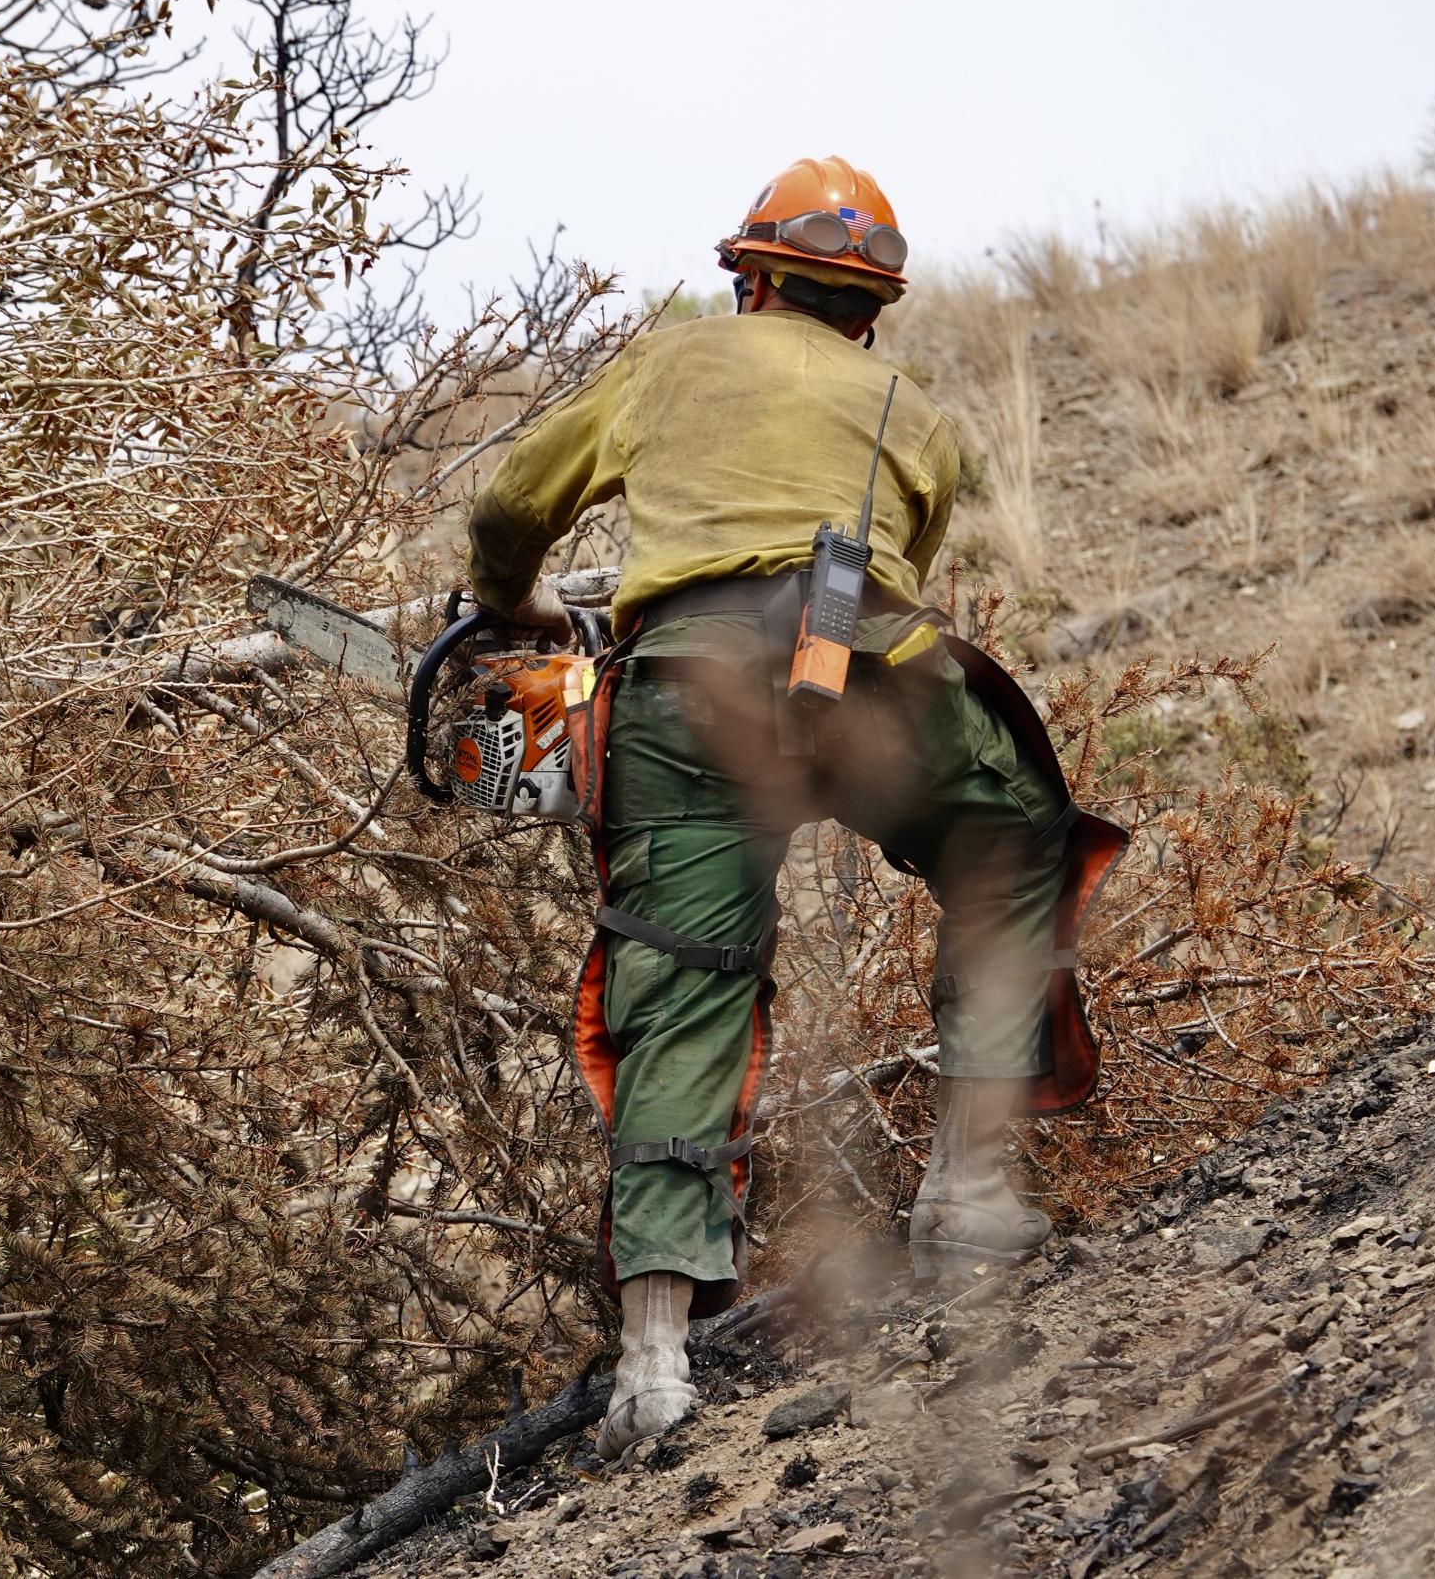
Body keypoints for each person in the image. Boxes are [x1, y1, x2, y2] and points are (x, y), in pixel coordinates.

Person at [463, 157, 1124, 1461]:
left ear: (749, 279)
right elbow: (899, 568)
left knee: (683, 976)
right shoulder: (911, 410)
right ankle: (972, 1194)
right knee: (1008, 838)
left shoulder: (666, 365)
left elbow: (509, 506)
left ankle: (653, 1359)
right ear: (869, 311)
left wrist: (515, 607)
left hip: (684, 689)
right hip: (866, 663)